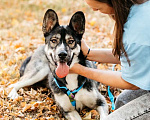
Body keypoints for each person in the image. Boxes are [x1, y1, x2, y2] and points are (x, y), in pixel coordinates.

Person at [70, 0, 150, 119]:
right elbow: (136, 57)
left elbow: (130, 83)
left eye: (97, 8)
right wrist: (88, 53)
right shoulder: (139, 8)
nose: (93, 10)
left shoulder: (135, 31)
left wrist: (81, 70)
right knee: (122, 101)